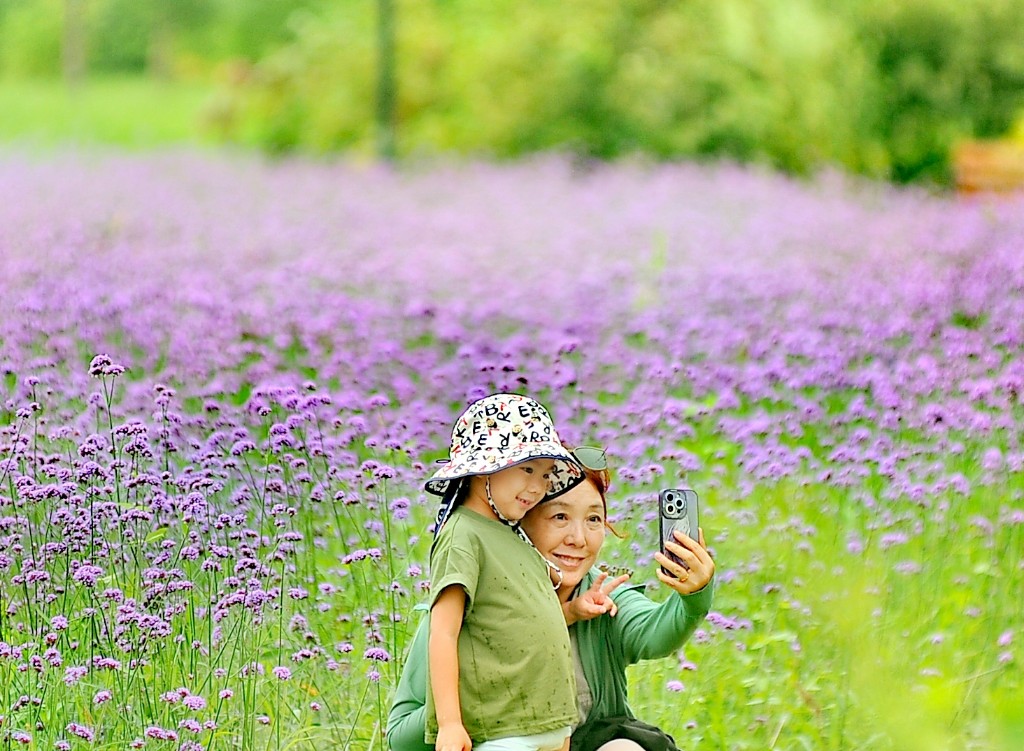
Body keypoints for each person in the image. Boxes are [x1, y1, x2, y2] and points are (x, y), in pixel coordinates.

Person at [388, 445, 715, 751]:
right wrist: (471, 689)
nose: (578, 539)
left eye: (593, 519)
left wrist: (694, 595)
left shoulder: (600, 599)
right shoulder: (461, 607)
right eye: (559, 517)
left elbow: (656, 634)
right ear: (518, 524)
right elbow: (401, 737)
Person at [423, 393, 587, 751]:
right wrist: (451, 724)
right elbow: (443, 632)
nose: (537, 487)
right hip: (503, 730)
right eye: (527, 469)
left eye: (545, 475)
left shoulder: (512, 533)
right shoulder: (463, 534)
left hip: (547, 723)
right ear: (483, 469)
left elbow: (518, 615)